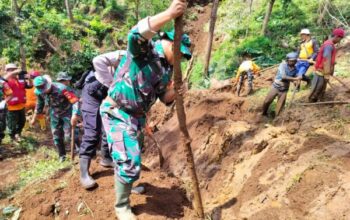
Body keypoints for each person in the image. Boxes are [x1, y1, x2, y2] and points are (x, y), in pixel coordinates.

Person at [100, 0, 191, 218]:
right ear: (169, 42)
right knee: (128, 160)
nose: (181, 59)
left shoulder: (167, 70)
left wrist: (177, 91)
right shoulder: (145, 51)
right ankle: (121, 206)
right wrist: (169, 14)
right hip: (118, 112)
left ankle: (129, 187)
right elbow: (135, 34)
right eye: (180, 52)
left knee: (133, 156)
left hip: (138, 117)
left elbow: (164, 97)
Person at [74, 51, 126, 190]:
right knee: (92, 132)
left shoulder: (144, 67)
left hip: (109, 94)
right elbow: (97, 60)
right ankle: (84, 173)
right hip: (94, 91)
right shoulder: (125, 55)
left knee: (109, 127)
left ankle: (106, 159)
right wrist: (112, 85)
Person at [31, 75, 80, 162]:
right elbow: (39, 104)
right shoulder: (39, 92)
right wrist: (34, 117)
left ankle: (80, 152)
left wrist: (75, 114)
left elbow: (75, 101)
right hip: (54, 114)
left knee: (70, 135)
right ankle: (62, 156)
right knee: (56, 135)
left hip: (67, 112)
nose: (44, 91)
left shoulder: (62, 88)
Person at [309, 28, 345, 102]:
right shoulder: (329, 45)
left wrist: (332, 64)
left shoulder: (329, 44)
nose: (339, 41)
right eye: (340, 39)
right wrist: (327, 74)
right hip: (321, 71)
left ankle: (319, 100)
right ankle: (312, 103)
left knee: (321, 88)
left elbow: (327, 59)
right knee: (317, 89)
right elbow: (326, 60)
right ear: (337, 36)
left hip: (323, 70)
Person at [262, 52, 301, 116]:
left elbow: (294, 78)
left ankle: (276, 119)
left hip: (284, 89)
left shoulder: (295, 69)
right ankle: (264, 113)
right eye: (291, 61)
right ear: (287, 60)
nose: (293, 62)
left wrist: (296, 82)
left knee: (280, 107)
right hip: (276, 87)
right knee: (267, 101)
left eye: (294, 61)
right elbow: (284, 77)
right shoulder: (282, 65)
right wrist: (295, 79)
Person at [3, 63, 29, 142]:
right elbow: (2, 80)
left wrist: (29, 78)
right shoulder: (5, 80)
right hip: (11, 107)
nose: (15, 72)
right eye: (12, 70)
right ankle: (12, 138)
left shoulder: (19, 80)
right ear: (7, 71)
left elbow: (28, 86)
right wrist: (13, 72)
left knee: (22, 122)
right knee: (12, 124)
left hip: (21, 105)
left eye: (15, 70)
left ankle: (18, 134)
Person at [0, 75, 13, 145]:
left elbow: (11, 94)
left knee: (1, 127)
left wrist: (4, 102)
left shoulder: (2, 83)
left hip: (1, 109)